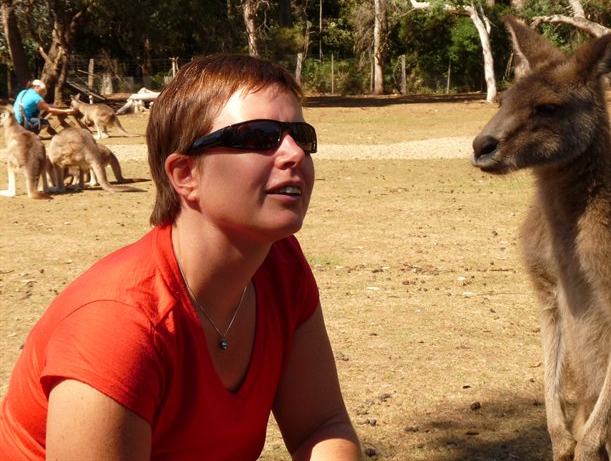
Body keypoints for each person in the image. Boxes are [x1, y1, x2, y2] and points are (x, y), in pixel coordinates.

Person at [0, 55, 362, 460]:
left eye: (301, 135)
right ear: (185, 174)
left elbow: (321, 426)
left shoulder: (280, 265)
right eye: (259, 136)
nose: (294, 153)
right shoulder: (118, 327)